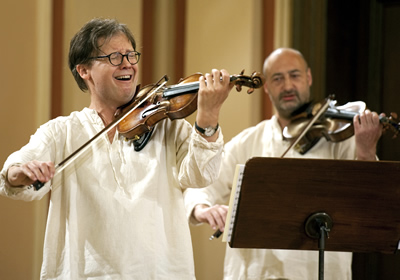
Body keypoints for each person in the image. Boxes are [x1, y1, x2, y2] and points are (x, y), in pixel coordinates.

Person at [0, 18, 234, 279]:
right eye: (113, 56)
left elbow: (202, 176)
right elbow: (15, 174)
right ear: (84, 70)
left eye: (131, 55)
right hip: (83, 272)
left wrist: (208, 117)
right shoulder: (61, 132)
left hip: (161, 272)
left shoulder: (168, 126)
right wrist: (21, 172)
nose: (128, 64)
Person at [184, 47, 383, 280]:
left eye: (295, 75)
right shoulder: (248, 142)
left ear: (308, 78)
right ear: (266, 86)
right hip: (256, 274)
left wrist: (367, 150)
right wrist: (203, 209)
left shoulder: (343, 141)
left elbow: (370, 202)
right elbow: (198, 186)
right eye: (278, 78)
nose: (288, 86)